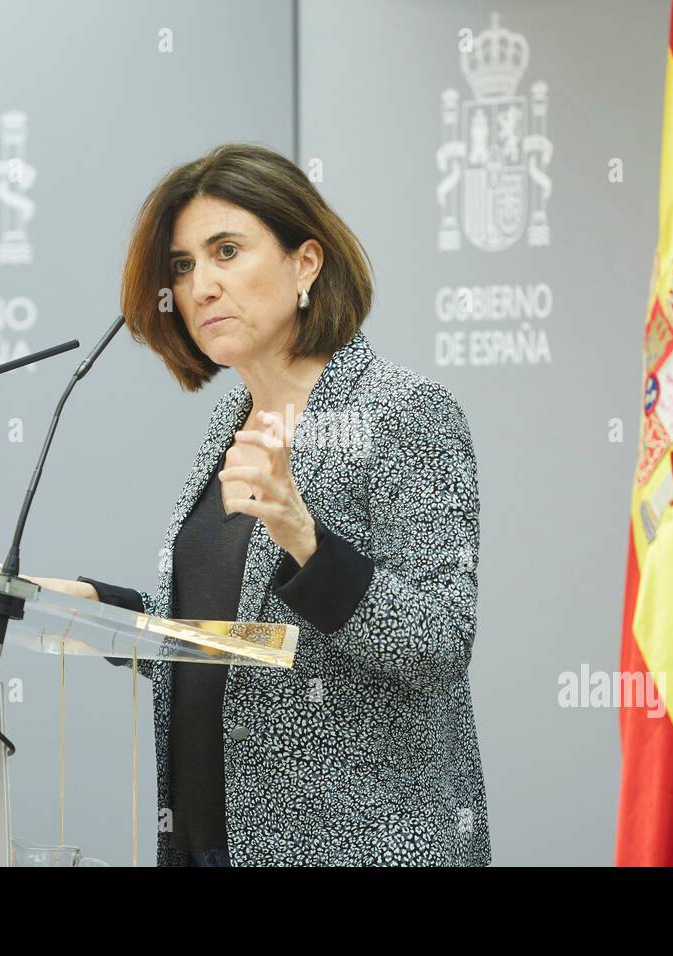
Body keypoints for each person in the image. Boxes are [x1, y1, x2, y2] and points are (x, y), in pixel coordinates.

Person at [26, 143, 489, 867]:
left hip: (355, 846)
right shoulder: (227, 423)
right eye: (182, 266)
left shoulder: (404, 412)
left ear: (306, 263)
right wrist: (101, 611)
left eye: (226, 251)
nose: (200, 285)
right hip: (215, 840)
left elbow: (438, 644)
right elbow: (242, 643)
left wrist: (306, 538)